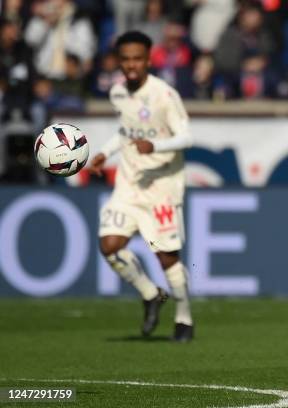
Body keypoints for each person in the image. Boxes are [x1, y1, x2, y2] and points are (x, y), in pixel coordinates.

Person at [89, 31, 194, 342]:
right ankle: (150, 295)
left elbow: (186, 137)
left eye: (137, 59)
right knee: (109, 246)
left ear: (149, 60)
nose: (131, 65)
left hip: (162, 186)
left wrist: (157, 145)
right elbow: (126, 130)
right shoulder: (118, 92)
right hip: (129, 183)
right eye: (126, 59)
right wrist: (104, 153)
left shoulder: (164, 95)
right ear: (119, 62)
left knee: (166, 258)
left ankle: (184, 318)